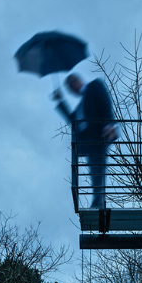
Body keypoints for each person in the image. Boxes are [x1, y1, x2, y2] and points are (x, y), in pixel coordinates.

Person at [52, 73, 118, 209]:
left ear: (77, 82)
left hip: (100, 135)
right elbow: (73, 120)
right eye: (70, 90)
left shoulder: (94, 86)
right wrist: (61, 100)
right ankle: (98, 199)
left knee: (98, 166)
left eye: (71, 87)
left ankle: (98, 200)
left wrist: (109, 124)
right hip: (89, 141)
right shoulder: (81, 104)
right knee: (95, 167)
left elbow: (105, 101)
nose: (72, 91)